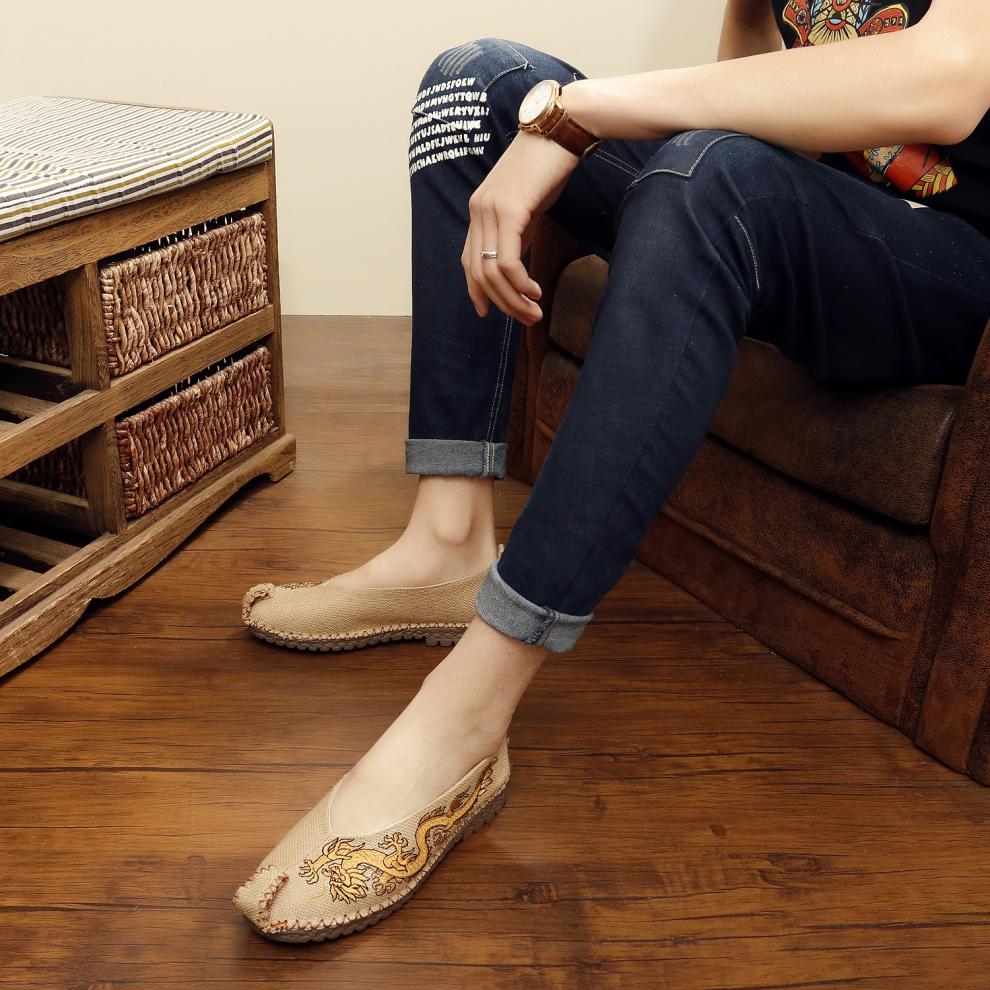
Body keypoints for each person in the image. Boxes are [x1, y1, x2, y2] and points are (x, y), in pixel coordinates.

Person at [233, 0, 990, 942]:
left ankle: (465, 715)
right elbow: (754, 88)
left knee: (702, 174)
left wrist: (580, 113)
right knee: (474, 85)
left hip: (954, 260)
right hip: (813, 210)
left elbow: (954, 77)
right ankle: (445, 541)